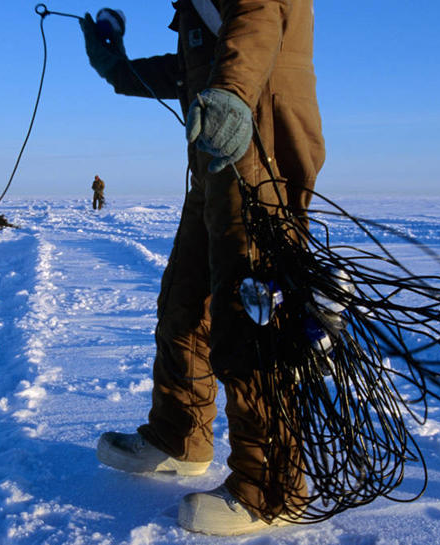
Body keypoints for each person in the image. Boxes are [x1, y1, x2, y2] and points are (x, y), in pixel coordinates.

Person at [80, 0, 325, 536]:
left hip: (257, 150)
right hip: (217, 158)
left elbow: (258, 14)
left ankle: (272, 486)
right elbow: (194, 67)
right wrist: (121, 71)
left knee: (251, 316)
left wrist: (232, 93)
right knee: (185, 302)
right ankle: (179, 436)